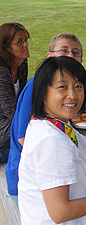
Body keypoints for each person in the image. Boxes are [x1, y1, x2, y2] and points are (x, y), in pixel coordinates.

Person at [18, 56, 86, 225]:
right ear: (43, 93)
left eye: (78, 87)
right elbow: (60, 213)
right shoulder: (51, 141)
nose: (72, 95)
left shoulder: (53, 124)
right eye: (62, 87)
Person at [5, 33, 86, 204]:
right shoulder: (36, 85)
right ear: (49, 56)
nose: (70, 55)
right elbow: (23, 137)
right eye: (63, 51)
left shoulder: (57, 110)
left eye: (75, 53)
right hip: (28, 188)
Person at [0, 22, 30, 163]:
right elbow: (13, 113)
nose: (25, 45)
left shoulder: (21, 63)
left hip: (13, 123)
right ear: (6, 48)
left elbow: (23, 100)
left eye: (25, 40)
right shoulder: (1, 73)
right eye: (19, 42)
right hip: (3, 133)